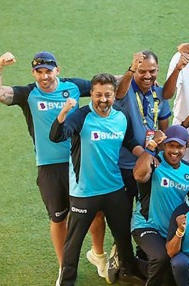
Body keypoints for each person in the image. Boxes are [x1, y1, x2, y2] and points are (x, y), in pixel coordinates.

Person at [0, 51, 107, 279]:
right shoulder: (28, 94)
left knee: (94, 211)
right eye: (39, 72)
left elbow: (106, 85)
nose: (44, 76)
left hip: (78, 161)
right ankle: (65, 268)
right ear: (33, 73)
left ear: (57, 71)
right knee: (58, 218)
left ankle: (98, 255)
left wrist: (133, 72)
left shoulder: (72, 87)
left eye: (48, 71)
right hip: (49, 167)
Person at [50, 73, 147, 285]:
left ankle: (128, 271)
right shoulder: (81, 116)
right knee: (74, 242)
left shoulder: (121, 116)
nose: (103, 99)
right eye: (98, 95)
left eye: (108, 95)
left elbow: (129, 142)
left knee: (122, 236)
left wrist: (146, 155)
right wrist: (64, 112)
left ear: (114, 95)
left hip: (114, 189)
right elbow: (57, 136)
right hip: (84, 192)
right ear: (91, 94)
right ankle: (66, 280)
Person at [131, 125, 189, 286]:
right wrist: (151, 147)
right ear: (164, 145)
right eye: (171, 146)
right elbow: (139, 176)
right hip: (146, 225)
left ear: (185, 147)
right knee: (161, 257)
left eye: (179, 147)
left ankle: (130, 262)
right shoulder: (154, 161)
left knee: (171, 274)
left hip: (171, 230)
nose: (175, 151)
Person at [115, 51, 173, 201]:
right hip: (124, 164)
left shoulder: (158, 93)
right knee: (123, 214)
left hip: (149, 162)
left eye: (152, 71)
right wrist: (131, 70)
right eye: (142, 71)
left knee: (146, 210)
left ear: (158, 69)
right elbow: (118, 93)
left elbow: (163, 129)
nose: (147, 76)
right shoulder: (125, 89)